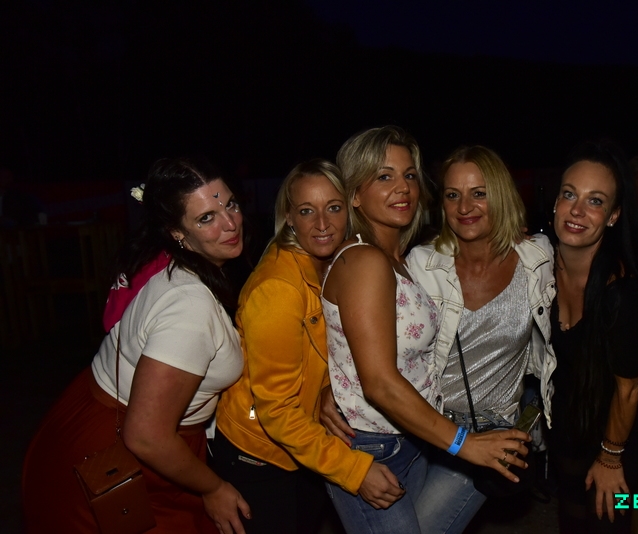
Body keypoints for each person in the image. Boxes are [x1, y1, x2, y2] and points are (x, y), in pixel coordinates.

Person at [319, 126, 530, 534]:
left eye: (410, 175)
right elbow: (379, 384)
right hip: (373, 448)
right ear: (354, 194)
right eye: (384, 176)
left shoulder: (400, 259)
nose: (403, 188)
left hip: (410, 440)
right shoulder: (365, 261)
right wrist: (465, 444)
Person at [22, 157, 250, 534]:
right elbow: (146, 435)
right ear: (176, 231)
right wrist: (214, 487)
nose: (230, 223)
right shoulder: (190, 307)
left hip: (91, 423)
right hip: (124, 454)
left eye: (231, 204)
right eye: (206, 217)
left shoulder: (168, 265)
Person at [211, 160, 404, 533]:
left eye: (333, 207)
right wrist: (354, 470)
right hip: (259, 455)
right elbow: (277, 410)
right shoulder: (278, 289)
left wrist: (327, 388)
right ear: (288, 217)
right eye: (306, 211)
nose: (322, 223)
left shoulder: (331, 263)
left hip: (301, 447)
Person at [404, 145, 557, 533]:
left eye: (479, 193)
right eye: (453, 194)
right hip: (422, 428)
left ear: (501, 196)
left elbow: (585, 272)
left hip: (491, 434)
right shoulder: (421, 264)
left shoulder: (536, 258)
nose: (464, 207)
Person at [549, 140, 638, 533]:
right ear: (555, 203)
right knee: (570, 516)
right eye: (569, 194)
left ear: (613, 216)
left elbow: (629, 389)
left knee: (603, 519)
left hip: (617, 419)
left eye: (595, 201)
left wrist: (611, 457)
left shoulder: (621, 295)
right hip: (569, 410)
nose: (577, 210)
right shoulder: (537, 266)